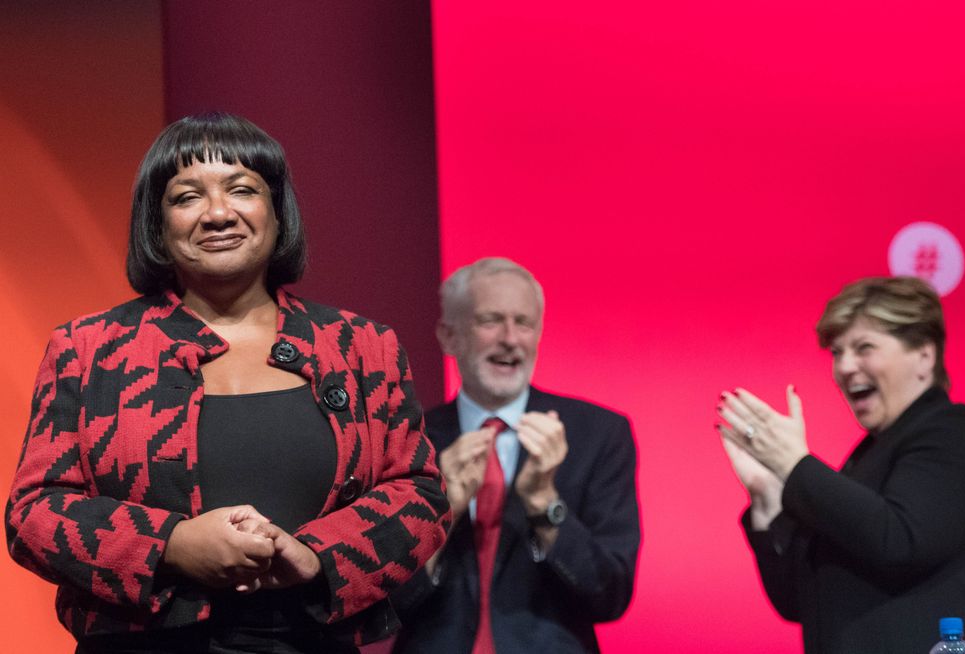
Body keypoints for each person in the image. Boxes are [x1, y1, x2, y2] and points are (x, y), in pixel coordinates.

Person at [5, 113, 450, 653]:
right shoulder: (87, 348)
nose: (218, 213)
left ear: (277, 212)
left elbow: (420, 494)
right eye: (187, 197)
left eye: (242, 190)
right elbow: (35, 511)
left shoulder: (361, 346)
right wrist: (169, 544)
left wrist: (316, 555)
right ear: (157, 223)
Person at [717, 276, 965, 653]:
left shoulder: (955, 432)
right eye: (837, 352)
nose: (845, 367)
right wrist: (768, 498)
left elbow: (900, 542)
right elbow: (797, 600)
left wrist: (796, 466)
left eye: (864, 348)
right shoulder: (865, 458)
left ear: (925, 355)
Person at [391, 257, 640, 653]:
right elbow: (383, 601)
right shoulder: (406, 439)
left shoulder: (599, 434)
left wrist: (546, 503)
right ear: (448, 336)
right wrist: (446, 510)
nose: (510, 338)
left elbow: (610, 595)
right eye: (490, 320)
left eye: (523, 323)